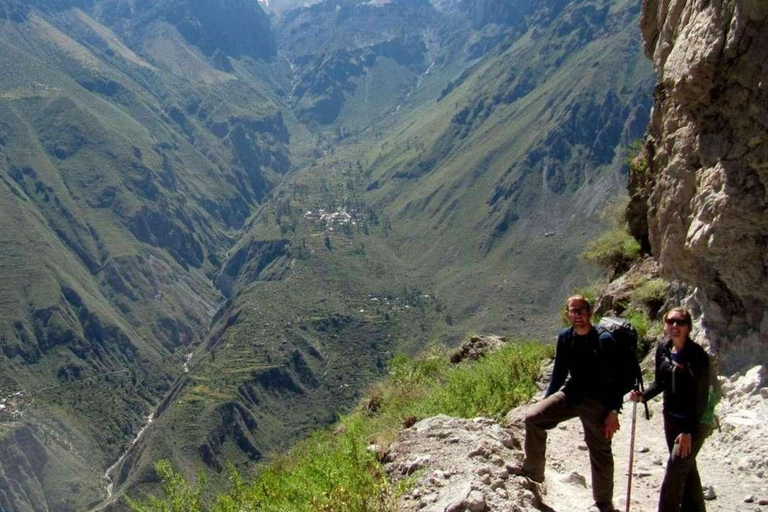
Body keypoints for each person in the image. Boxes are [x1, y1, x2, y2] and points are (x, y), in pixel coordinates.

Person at [521, 295, 623, 512]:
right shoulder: (566, 337)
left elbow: (616, 379)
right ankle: (534, 472)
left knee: (599, 450)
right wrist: (547, 398)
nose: (577, 315)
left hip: (598, 401)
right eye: (572, 311)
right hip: (572, 394)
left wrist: (613, 411)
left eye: (581, 310)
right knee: (533, 419)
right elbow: (559, 372)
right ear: (567, 314)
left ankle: (604, 503)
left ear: (590, 312)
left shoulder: (604, 340)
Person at [630, 307, 709, 512]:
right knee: (687, 470)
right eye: (671, 321)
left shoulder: (697, 356)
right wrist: (643, 396)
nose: (675, 326)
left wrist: (688, 431)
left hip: (693, 424)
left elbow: (701, 398)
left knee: (673, 476)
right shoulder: (663, 349)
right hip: (671, 420)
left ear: (689, 328)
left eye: (680, 322)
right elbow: (660, 383)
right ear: (665, 325)